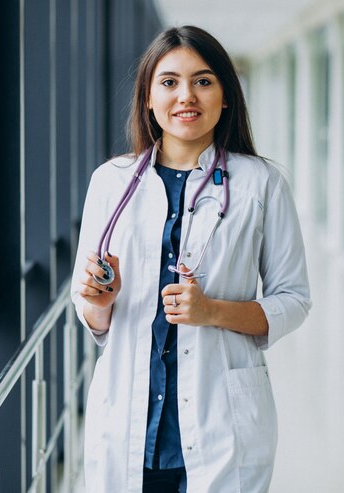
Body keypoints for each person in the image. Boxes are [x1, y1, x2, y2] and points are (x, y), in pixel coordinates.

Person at [70, 25, 311, 493]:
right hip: (127, 427)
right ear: (147, 98)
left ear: (225, 97)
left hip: (224, 427)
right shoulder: (110, 183)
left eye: (203, 81)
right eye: (169, 82)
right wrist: (100, 299)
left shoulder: (261, 184)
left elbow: (295, 299)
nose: (186, 96)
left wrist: (211, 311)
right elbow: (92, 314)